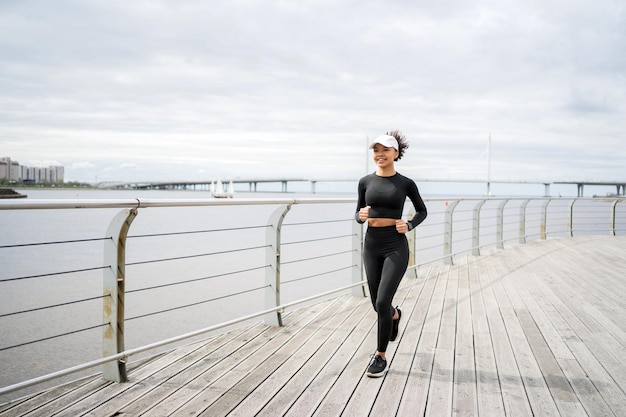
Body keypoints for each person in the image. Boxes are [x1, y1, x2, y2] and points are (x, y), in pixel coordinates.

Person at [355, 130, 428, 378]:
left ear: (395, 153)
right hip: (371, 244)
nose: (380, 154)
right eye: (376, 150)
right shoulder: (365, 182)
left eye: (385, 150)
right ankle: (395, 316)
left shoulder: (405, 183)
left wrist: (408, 225)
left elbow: (421, 211)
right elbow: (357, 214)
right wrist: (360, 216)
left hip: (395, 245)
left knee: (383, 301)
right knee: (377, 303)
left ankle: (380, 355)